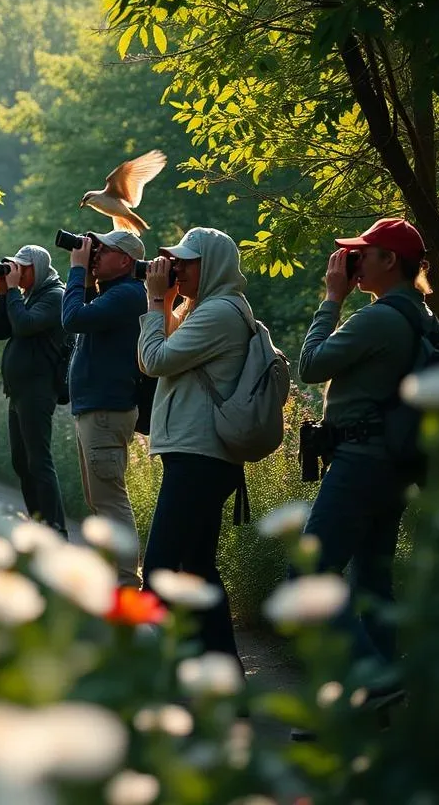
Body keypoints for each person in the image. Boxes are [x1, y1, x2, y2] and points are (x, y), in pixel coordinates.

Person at [297, 218, 439, 682]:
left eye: (363, 254)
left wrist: (332, 299)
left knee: (310, 576)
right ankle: (379, 701)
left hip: (360, 463)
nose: (352, 262)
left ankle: (366, 682)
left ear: (389, 261)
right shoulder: (422, 316)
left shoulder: (379, 317)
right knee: (373, 585)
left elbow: (310, 365)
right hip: (394, 465)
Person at [137, 227, 253, 660]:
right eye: (174, 261)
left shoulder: (219, 312)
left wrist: (153, 302)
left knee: (160, 571)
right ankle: (223, 680)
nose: (175, 268)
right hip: (200, 456)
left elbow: (155, 360)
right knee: (198, 569)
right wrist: (166, 304)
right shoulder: (204, 308)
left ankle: (153, 675)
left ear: (215, 265)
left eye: (186, 261)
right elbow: (157, 354)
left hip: (199, 459)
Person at [61, 231, 147, 586]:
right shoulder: (114, 294)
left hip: (105, 412)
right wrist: (90, 274)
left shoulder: (128, 294)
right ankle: (112, 574)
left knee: (110, 501)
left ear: (126, 260)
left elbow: (72, 319)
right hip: (96, 411)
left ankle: (126, 582)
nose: (94, 254)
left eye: (103, 250)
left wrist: (78, 271)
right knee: (100, 500)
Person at [0, 244, 68, 535]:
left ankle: (55, 530)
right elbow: (0, 331)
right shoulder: (27, 297)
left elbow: (23, 326)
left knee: (39, 461)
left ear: (40, 267)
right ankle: (38, 526)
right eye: (15, 266)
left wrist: (12, 292)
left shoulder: (54, 297)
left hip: (38, 389)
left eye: (24, 266)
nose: (17, 271)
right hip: (19, 391)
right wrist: (1, 291)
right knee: (21, 462)